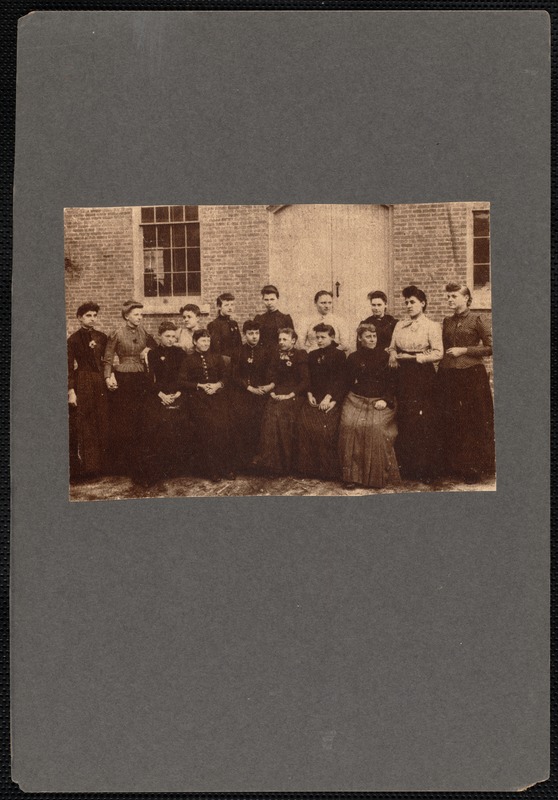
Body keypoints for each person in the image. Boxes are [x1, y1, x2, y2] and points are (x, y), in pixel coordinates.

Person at [437, 282, 495, 482]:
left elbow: (490, 347)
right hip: (447, 376)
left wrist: (465, 350)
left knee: (472, 420)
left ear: (466, 299)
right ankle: (453, 465)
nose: (450, 300)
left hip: (471, 376)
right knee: (451, 418)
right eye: (448, 297)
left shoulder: (477, 319)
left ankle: (473, 468)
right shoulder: (446, 321)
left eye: (454, 297)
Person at [388, 285, 443, 482]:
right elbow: (392, 347)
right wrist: (393, 354)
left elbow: (438, 353)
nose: (409, 306)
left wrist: (415, 358)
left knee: (423, 421)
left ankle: (426, 470)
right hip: (403, 376)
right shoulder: (399, 325)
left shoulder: (432, 326)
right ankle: (408, 468)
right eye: (406, 303)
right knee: (406, 419)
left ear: (423, 303)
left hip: (422, 377)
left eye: (412, 302)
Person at [339, 324, 400, 489]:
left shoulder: (385, 356)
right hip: (356, 399)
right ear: (360, 338)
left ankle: (375, 477)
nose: (372, 340)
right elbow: (346, 382)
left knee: (374, 427)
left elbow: (392, 382)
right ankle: (351, 477)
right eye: (368, 336)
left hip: (380, 400)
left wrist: (386, 400)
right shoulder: (352, 358)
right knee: (349, 426)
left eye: (374, 336)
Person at [102, 300, 157, 477]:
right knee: (126, 420)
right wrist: (108, 376)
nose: (140, 317)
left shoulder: (143, 331)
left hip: (141, 377)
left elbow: (154, 344)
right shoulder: (117, 333)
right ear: (127, 316)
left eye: (141, 314)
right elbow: (108, 358)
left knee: (141, 418)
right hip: (124, 378)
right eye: (136, 314)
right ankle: (125, 465)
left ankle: (141, 463)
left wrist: (147, 349)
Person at [178, 329, 233, 482]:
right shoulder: (188, 360)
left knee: (223, 429)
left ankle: (224, 468)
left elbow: (227, 376)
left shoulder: (217, 358)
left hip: (217, 397)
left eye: (208, 341)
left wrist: (218, 385)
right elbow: (182, 381)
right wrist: (200, 386)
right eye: (202, 341)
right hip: (198, 399)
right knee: (207, 431)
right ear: (195, 342)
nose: (206, 344)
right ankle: (211, 470)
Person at [296, 323, 347, 479]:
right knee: (304, 425)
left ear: (331, 337)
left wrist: (329, 398)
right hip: (314, 397)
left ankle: (327, 471)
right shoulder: (312, 355)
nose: (319, 340)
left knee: (325, 430)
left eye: (323, 337)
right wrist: (309, 394)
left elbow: (340, 381)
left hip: (332, 398)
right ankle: (308, 470)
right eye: (317, 337)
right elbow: (308, 378)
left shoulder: (339, 355)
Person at [256, 328, 309, 475]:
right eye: (279, 339)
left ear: (293, 340)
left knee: (282, 416)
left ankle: (286, 465)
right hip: (277, 392)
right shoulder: (276, 355)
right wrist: (272, 393)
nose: (281, 342)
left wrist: (290, 395)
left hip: (295, 394)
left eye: (285, 339)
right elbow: (271, 376)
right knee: (270, 416)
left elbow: (304, 381)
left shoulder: (300, 355)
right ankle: (271, 464)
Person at [139, 322, 186, 485]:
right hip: (157, 394)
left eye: (174, 336)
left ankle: (173, 468)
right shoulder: (152, 354)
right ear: (160, 336)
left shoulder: (180, 353)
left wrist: (178, 393)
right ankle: (155, 471)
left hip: (178, 393)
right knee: (154, 425)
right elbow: (149, 378)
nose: (171, 339)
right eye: (167, 336)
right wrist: (161, 395)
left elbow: (184, 377)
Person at [67, 301, 108, 479]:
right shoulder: (73, 340)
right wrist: (71, 390)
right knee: (87, 423)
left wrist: (109, 376)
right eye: (88, 316)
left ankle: (105, 466)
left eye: (94, 315)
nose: (92, 319)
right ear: (79, 318)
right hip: (83, 381)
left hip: (100, 381)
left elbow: (106, 361)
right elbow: (68, 367)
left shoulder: (102, 337)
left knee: (102, 419)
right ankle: (89, 468)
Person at [230, 320, 274, 471]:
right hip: (243, 391)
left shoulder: (267, 351)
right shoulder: (238, 351)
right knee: (241, 417)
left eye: (257, 333)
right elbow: (234, 375)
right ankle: (243, 462)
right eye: (250, 333)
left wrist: (266, 387)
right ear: (244, 335)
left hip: (261, 392)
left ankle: (260, 461)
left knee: (262, 418)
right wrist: (249, 388)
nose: (254, 336)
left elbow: (273, 373)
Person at [207, 292, 241, 361]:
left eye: (232, 305)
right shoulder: (214, 325)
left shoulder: (234, 324)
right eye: (226, 305)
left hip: (235, 362)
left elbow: (239, 344)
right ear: (219, 307)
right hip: (222, 363)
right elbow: (215, 349)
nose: (230, 308)